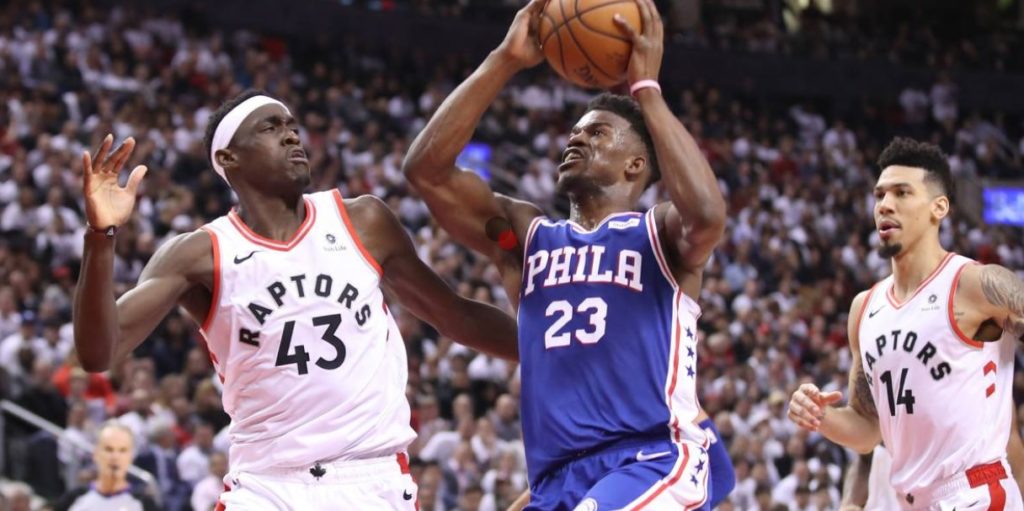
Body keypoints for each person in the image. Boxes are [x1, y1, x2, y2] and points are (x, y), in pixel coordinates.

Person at [72, 90, 518, 509]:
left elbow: (455, 316)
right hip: (267, 486)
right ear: (228, 158)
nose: (290, 135)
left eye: (291, 126)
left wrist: (547, 350)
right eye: (270, 128)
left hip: (371, 479)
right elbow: (98, 352)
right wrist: (100, 236)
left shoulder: (362, 221)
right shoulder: (201, 254)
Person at [402, 0, 727, 508]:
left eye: (597, 133)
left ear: (635, 164)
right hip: (556, 481)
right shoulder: (524, 240)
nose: (577, 138)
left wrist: (646, 89)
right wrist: (504, 60)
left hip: (649, 458)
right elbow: (426, 172)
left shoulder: (659, 234)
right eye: (575, 131)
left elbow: (706, 215)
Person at [788, 137, 1024, 509]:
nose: (885, 205)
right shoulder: (864, 308)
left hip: (974, 492)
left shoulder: (975, 284)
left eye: (902, 193)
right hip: (910, 501)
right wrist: (821, 416)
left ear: (938, 208)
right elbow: (868, 431)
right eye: (880, 195)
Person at [839, 405, 1024, 510]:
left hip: (965, 492)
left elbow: (1012, 445)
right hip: (895, 495)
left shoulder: (973, 370)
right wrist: (849, 502)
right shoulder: (882, 366)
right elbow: (864, 459)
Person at [52, 420, 159, 511]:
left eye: (122, 450)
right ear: (96, 454)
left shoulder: (145, 505)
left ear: (131, 457)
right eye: (109, 449)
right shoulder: (73, 499)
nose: (115, 457)